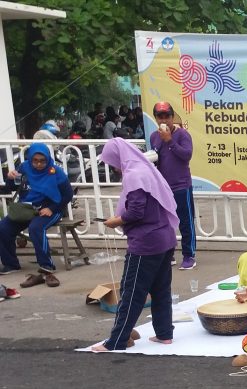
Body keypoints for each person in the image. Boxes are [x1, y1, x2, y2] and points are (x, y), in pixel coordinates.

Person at [90, 138, 178, 352]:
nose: (113, 167)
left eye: (111, 162)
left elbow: (136, 211)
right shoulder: (146, 169)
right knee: (160, 290)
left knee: (132, 292)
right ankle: (165, 334)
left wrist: (116, 221)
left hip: (147, 243)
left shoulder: (134, 174)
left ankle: (117, 340)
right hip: (165, 237)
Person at [0, 143, 74, 286]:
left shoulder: (55, 172)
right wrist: (9, 177)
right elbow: (12, 187)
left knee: (36, 228)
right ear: (30, 159)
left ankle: (46, 265)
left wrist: (52, 208)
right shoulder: (24, 168)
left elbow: (68, 195)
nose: (39, 164)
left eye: (42, 160)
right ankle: (11, 264)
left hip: (50, 209)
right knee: (3, 228)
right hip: (26, 210)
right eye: (35, 160)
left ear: (48, 159)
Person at [149, 102, 196, 270]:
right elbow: (156, 158)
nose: (164, 119)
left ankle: (189, 255)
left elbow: (186, 155)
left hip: (181, 184)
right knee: (165, 222)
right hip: (163, 186)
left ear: (172, 116)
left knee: (185, 221)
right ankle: (169, 254)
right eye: (160, 116)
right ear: (155, 118)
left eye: (167, 116)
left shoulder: (183, 134)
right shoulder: (154, 136)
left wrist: (169, 141)